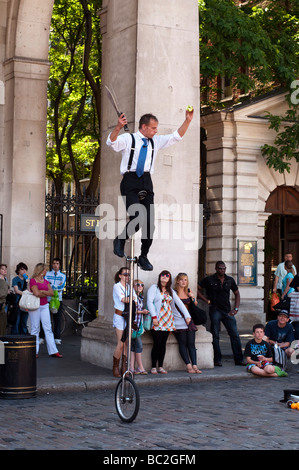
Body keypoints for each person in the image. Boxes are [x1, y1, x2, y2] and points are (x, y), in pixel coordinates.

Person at [106, 108, 194, 271]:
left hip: (147, 181)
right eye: (153, 128)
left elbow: (176, 136)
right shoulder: (128, 138)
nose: (156, 131)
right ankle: (120, 240)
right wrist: (118, 127)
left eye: (156, 128)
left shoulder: (156, 141)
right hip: (130, 180)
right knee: (138, 217)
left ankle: (144, 256)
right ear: (144, 127)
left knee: (149, 224)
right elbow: (111, 143)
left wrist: (187, 121)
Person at [198, 261, 245, 367]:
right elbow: (197, 288)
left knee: (235, 335)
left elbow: (237, 293)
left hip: (227, 311)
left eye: (224, 268)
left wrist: (236, 308)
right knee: (215, 335)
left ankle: (239, 359)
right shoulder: (209, 279)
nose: (222, 270)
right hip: (215, 310)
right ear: (216, 269)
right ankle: (217, 359)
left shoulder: (230, 280)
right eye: (220, 268)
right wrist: (206, 300)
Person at [147, 270, 191, 374]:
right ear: (159, 277)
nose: (164, 277)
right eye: (162, 275)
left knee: (163, 344)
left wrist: (187, 316)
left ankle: (160, 366)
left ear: (169, 279)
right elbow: (149, 302)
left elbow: (179, 303)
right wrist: (154, 317)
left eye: (167, 275)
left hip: (168, 320)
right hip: (157, 319)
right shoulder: (154, 288)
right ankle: (153, 366)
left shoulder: (170, 290)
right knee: (157, 343)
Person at [29, 263, 62, 358]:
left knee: (48, 328)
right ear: (40, 270)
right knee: (35, 328)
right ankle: (34, 351)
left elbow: (51, 293)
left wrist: (42, 292)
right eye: (45, 270)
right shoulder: (32, 280)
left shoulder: (46, 281)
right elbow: (36, 293)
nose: (46, 271)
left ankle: (53, 351)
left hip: (44, 306)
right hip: (35, 306)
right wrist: (44, 293)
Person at [173, 272, 202, 374]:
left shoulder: (188, 291)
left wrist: (193, 297)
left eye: (185, 280)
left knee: (191, 343)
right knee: (183, 343)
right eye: (181, 279)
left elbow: (194, 305)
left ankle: (194, 365)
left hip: (189, 321)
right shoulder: (174, 293)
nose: (183, 282)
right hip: (179, 321)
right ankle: (188, 365)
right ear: (177, 281)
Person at [112, 267, 137, 377]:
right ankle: (115, 367)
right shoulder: (116, 286)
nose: (127, 276)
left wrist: (130, 298)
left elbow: (135, 299)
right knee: (121, 343)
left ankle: (124, 367)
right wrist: (131, 298)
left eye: (129, 275)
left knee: (126, 342)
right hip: (119, 316)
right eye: (125, 274)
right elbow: (124, 299)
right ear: (120, 275)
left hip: (128, 317)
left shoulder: (129, 287)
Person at [45, 258, 66, 344]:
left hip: (58, 300)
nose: (55, 265)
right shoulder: (47, 274)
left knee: (57, 319)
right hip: (48, 299)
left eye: (57, 263)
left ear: (60, 265)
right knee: (46, 319)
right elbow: (46, 285)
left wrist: (51, 285)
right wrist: (55, 286)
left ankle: (57, 337)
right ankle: (42, 337)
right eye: (54, 263)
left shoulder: (63, 276)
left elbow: (61, 288)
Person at [130, 279, 149, 375]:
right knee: (139, 346)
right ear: (133, 286)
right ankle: (140, 367)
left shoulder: (140, 297)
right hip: (133, 325)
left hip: (137, 325)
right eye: (138, 284)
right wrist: (143, 312)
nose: (140, 286)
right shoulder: (132, 297)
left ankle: (132, 367)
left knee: (134, 347)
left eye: (142, 285)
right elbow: (131, 310)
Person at [11, 262, 29, 334]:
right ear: (18, 270)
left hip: (26, 301)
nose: (24, 271)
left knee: (24, 319)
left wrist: (28, 281)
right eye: (22, 269)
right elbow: (16, 290)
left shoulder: (27, 279)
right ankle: (16, 335)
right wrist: (25, 293)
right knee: (17, 319)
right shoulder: (15, 279)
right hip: (18, 301)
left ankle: (24, 335)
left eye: (25, 269)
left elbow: (30, 289)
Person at [0, 264, 9, 335]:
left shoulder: (5, 279)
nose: (5, 270)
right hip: (0, 304)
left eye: (5, 269)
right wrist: (6, 292)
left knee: (3, 324)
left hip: (4, 304)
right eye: (3, 269)